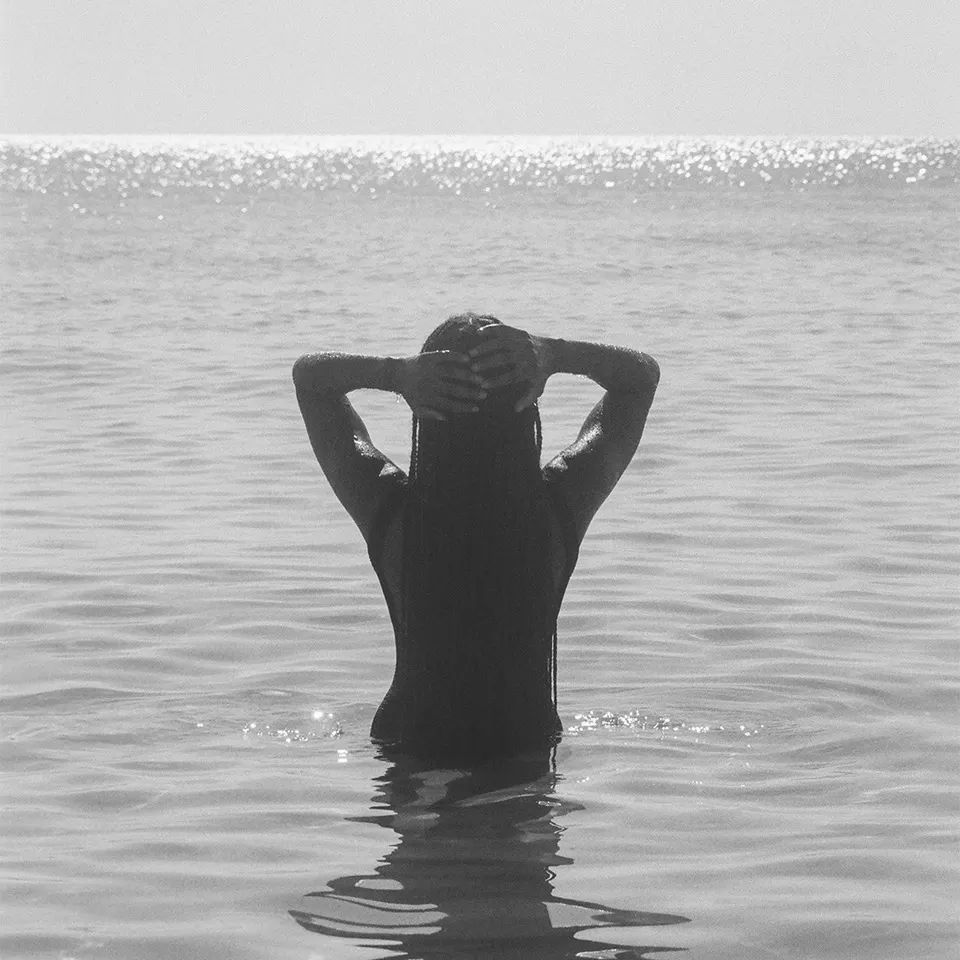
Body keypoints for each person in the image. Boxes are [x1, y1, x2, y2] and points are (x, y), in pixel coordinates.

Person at [292, 313, 659, 762]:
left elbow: (311, 379)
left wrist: (396, 374)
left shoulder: (392, 513)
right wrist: (555, 354)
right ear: (526, 406)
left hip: (410, 747)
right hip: (522, 745)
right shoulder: (559, 509)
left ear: (427, 412)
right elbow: (639, 379)